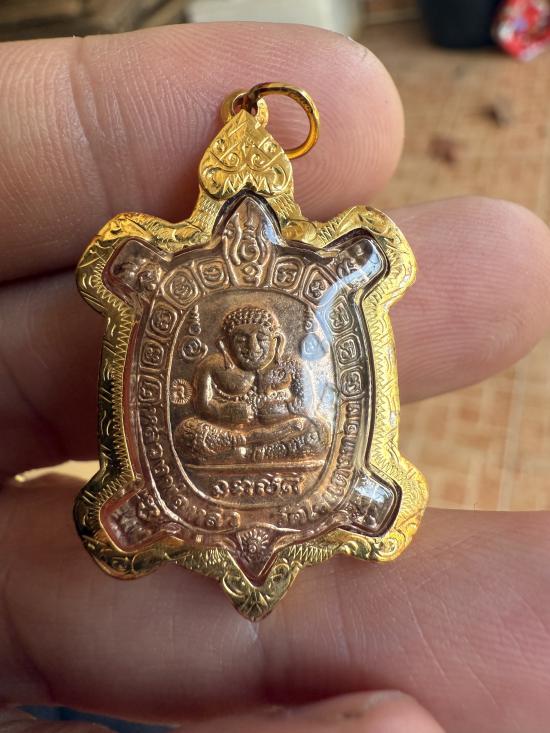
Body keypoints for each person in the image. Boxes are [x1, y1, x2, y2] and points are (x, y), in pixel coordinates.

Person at [1, 21, 550, 733]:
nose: (256, 344)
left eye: (264, 335)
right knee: (199, 433)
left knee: (305, 429)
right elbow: (200, 416)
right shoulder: (211, 362)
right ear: (232, 336)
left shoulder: (298, 348)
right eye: (246, 336)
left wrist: (272, 412)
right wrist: (228, 409)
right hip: (219, 451)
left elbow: (297, 415)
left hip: (280, 446)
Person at [176, 305, 328, 465]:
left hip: (280, 431)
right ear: (224, 344)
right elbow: (202, 406)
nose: (253, 347)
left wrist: (284, 408)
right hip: (230, 434)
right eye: (241, 340)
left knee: (316, 430)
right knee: (187, 432)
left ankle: (248, 453)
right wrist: (224, 411)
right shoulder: (212, 367)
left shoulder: (291, 366)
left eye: (261, 339)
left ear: (276, 340)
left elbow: (307, 404)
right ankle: (257, 450)